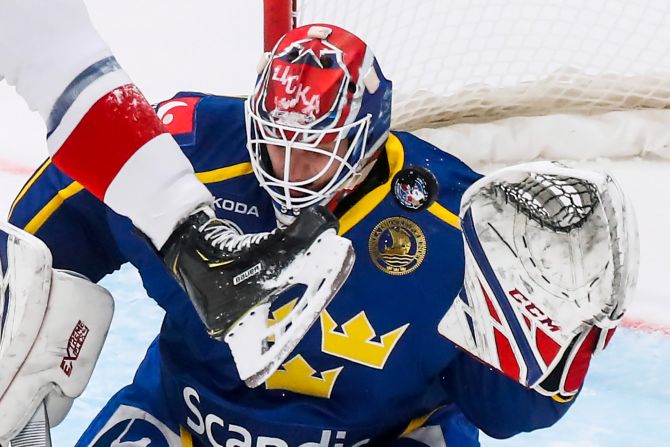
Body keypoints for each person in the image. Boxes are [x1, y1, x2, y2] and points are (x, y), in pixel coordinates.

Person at [1, 5, 638, 447]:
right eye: (276, 144)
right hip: (183, 424)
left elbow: (503, 412)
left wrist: (556, 352)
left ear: (367, 139)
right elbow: (46, 233)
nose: (288, 169)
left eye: (313, 149)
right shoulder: (186, 157)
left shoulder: (454, 221)